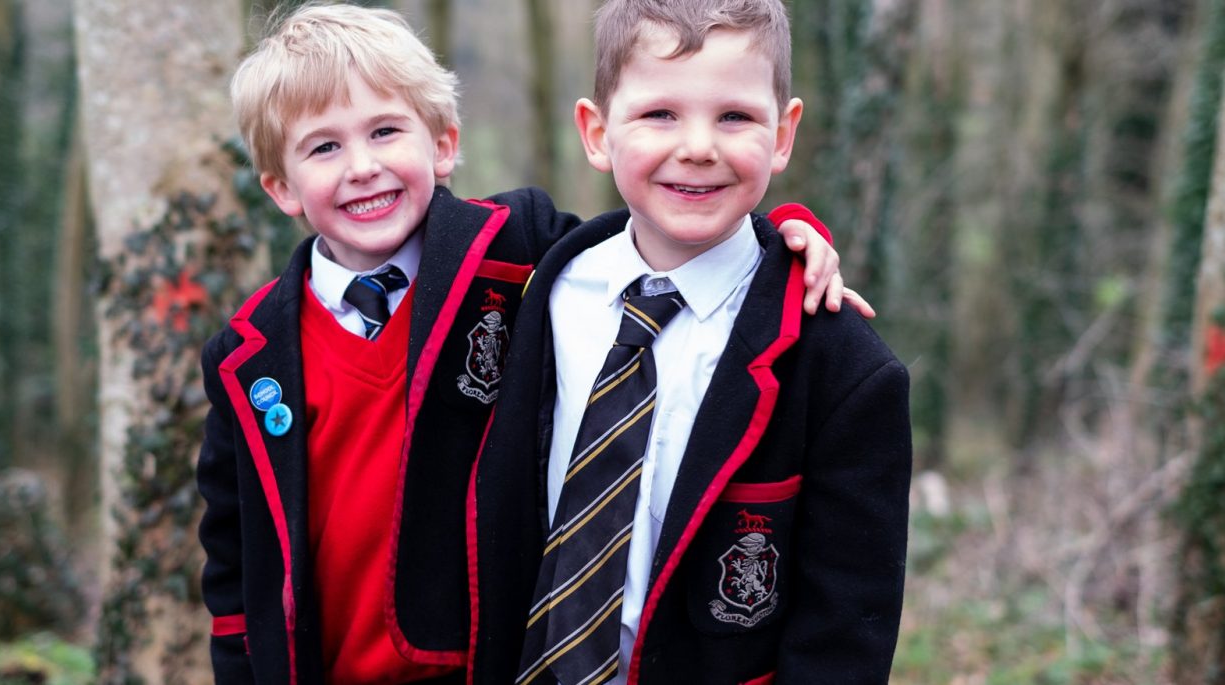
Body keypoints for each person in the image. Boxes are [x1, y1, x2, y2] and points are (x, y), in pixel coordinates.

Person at [194, 3, 866, 683]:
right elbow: (233, 557)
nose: (363, 166)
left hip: (481, 659)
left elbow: (672, 230)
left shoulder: (512, 252)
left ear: (445, 145)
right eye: (324, 147)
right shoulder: (247, 355)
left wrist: (790, 231)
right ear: (281, 186)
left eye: (386, 131)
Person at [468, 0, 913, 683]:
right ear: (595, 130)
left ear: (784, 132)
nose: (699, 146)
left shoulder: (842, 368)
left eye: (734, 116)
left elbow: (846, 631)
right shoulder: (534, 280)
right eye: (659, 114)